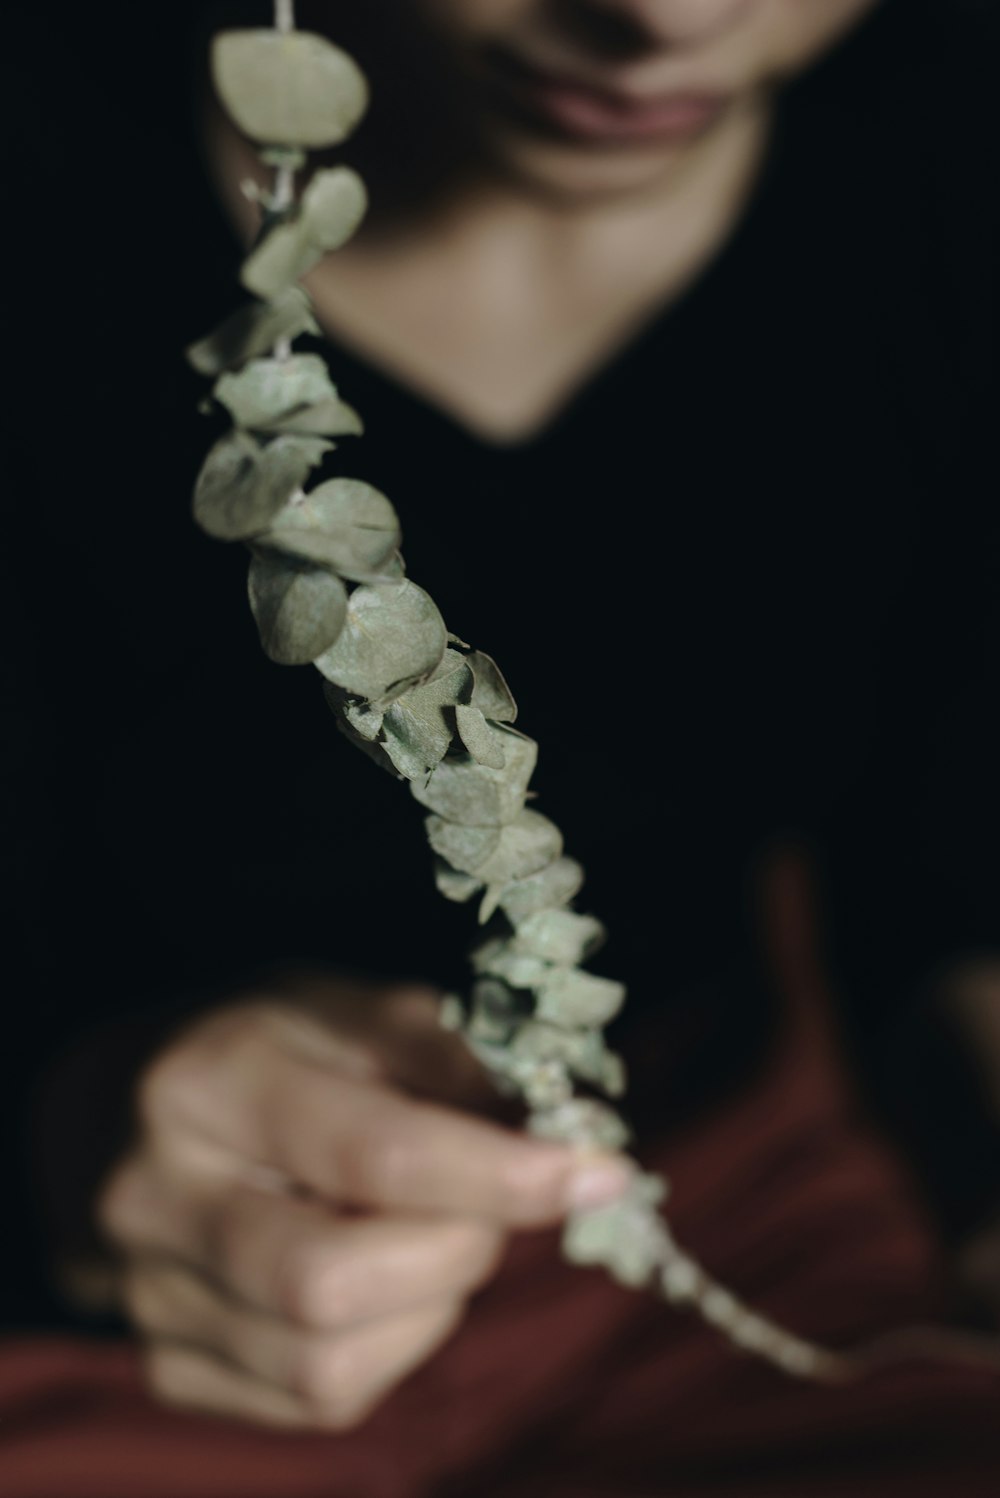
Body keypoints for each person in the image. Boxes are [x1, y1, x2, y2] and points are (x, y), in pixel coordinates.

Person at [2, 0, 1000, 1483]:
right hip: (117, 1312)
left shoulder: (943, 131)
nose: (666, 18)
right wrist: (79, 1146)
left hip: (736, 1184)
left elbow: (944, 839)